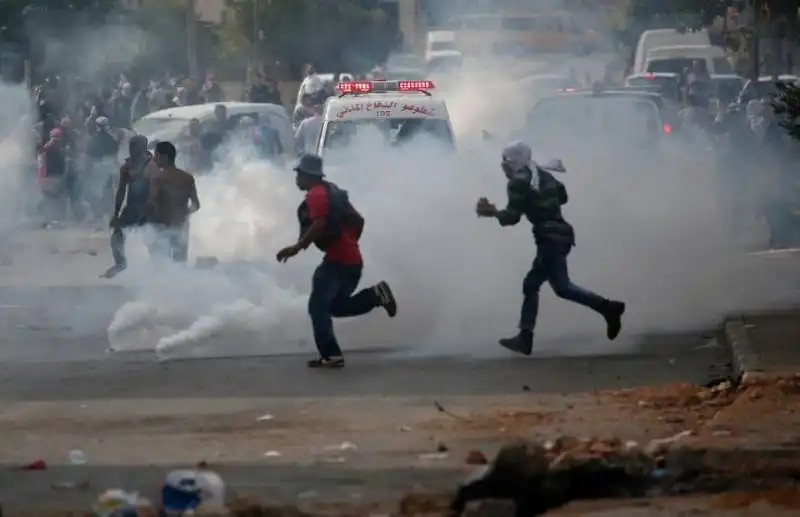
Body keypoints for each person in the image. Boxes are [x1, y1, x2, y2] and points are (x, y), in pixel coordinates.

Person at [475, 141, 626, 355]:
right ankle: (606, 309)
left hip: (549, 238)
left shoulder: (519, 181)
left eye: (505, 162)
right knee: (554, 286)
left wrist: (492, 212)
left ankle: (527, 336)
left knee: (540, 285)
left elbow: (512, 218)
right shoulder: (543, 175)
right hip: (561, 235)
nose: (504, 167)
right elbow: (563, 197)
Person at [276, 154, 397, 369]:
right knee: (335, 307)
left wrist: (297, 247)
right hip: (351, 260)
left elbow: (320, 224)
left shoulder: (317, 194)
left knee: (317, 307)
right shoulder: (331, 191)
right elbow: (358, 220)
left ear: (308, 175)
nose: (297, 178)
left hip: (339, 261)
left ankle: (331, 355)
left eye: (299, 173)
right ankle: (375, 295)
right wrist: (349, 243)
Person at [102, 135, 159, 278]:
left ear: (143, 147)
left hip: (148, 208)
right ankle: (120, 263)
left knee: (152, 239)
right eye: (131, 145)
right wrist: (116, 214)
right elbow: (121, 191)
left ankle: (159, 267)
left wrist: (148, 211)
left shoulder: (152, 166)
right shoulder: (127, 167)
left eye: (135, 145)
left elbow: (155, 192)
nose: (131, 148)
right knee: (117, 236)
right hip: (132, 207)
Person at [147, 141, 200, 263]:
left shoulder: (157, 178)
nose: (154, 159)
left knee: (160, 262)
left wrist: (144, 219)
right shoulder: (187, 178)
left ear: (164, 157)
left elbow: (151, 202)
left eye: (156, 155)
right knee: (179, 262)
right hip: (181, 225)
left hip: (161, 225)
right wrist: (185, 213)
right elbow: (196, 205)